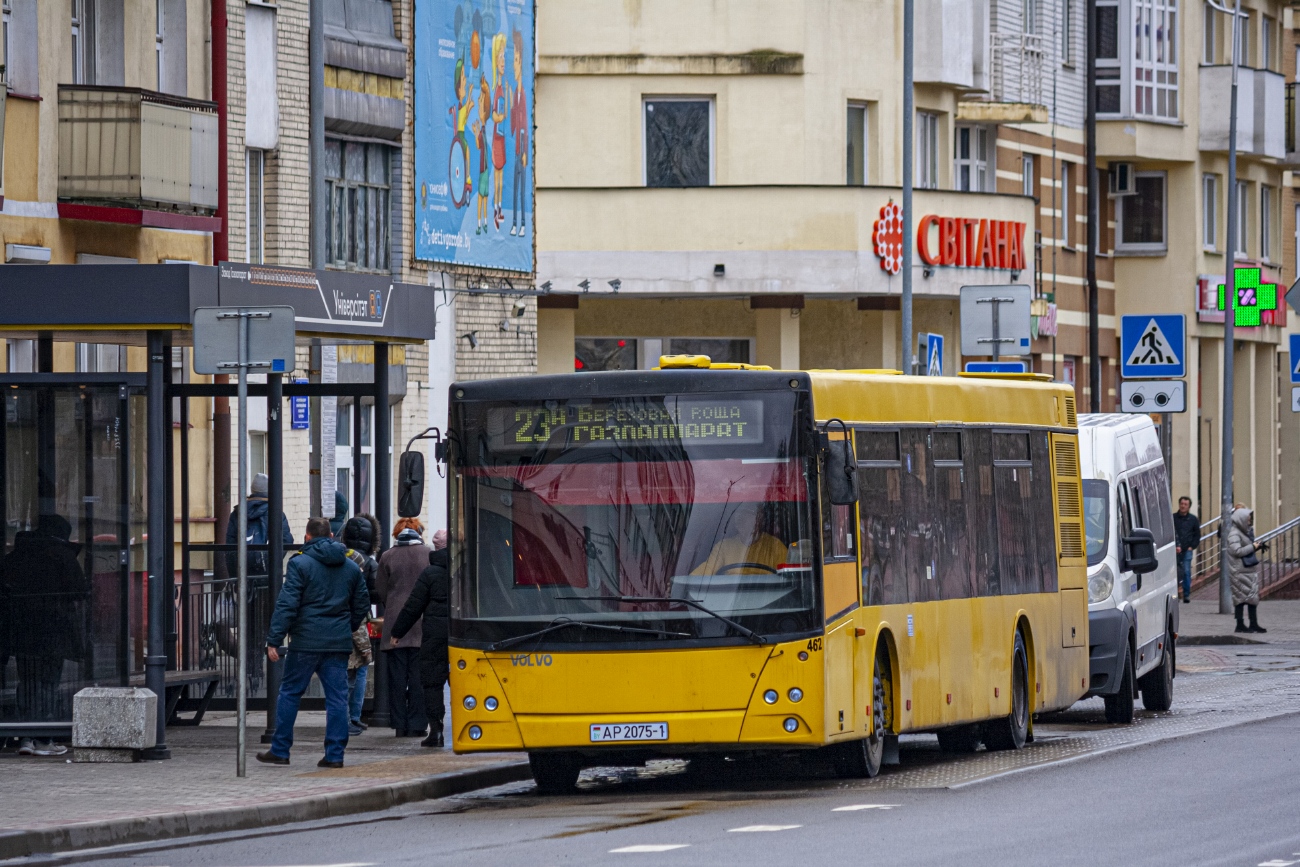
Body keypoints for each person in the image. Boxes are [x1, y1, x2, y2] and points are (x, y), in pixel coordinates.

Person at [258, 517, 368, 769]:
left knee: (290, 692)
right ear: (331, 536)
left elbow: (287, 603)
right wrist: (346, 626)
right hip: (337, 643)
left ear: (307, 537)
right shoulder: (350, 567)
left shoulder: (300, 563)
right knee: (338, 699)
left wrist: (274, 639)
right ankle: (334, 755)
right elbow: (362, 604)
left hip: (306, 642)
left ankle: (281, 749)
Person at [0, 514, 88, 757]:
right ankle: (43, 739)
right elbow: (79, 591)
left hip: (21, 630)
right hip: (53, 631)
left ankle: (25, 737)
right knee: (48, 683)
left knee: (26, 682)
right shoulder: (62, 556)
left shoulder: (17, 556)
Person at [390, 529, 450, 748]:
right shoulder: (466, 569)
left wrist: (397, 632)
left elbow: (413, 606)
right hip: (465, 634)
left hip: (435, 635)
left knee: (432, 683)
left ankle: (437, 732)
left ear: (435, 548)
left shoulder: (430, 573)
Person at [375, 517, 433, 737]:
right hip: (421, 622)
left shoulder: (387, 556)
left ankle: (400, 724)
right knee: (419, 677)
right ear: (418, 532)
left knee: (397, 678)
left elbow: (380, 588)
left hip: (394, 624)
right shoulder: (428, 553)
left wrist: (391, 604)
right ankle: (418, 723)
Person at [341, 514, 380, 736]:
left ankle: (346, 716)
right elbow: (374, 595)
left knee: (344, 671)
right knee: (362, 667)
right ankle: (353, 716)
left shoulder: (342, 558)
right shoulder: (369, 562)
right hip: (360, 619)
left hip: (339, 617)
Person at [690, 503, 787, 576]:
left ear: (759, 519)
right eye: (737, 514)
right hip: (730, 598)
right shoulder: (724, 546)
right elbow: (703, 573)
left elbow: (789, 577)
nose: (739, 518)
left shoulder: (775, 546)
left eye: (747, 514)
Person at [1226, 506, 1267, 634]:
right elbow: (1237, 551)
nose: (1249, 521)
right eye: (1247, 519)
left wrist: (1257, 546)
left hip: (1248, 570)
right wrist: (1253, 547)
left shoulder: (1244, 532)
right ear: (1241, 519)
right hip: (1239, 571)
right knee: (1240, 598)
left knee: (1252, 598)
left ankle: (1253, 623)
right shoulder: (1234, 533)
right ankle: (1240, 624)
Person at [1172, 496, 1200, 603]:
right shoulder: (1173, 517)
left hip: (1187, 550)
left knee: (1186, 572)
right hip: (1175, 550)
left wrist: (1192, 546)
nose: (1183, 506)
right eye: (1181, 504)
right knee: (1175, 572)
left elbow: (1197, 535)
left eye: (1185, 504)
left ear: (1189, 507)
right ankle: (1175, 594)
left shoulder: (1193, 519)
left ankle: (1186, 594)